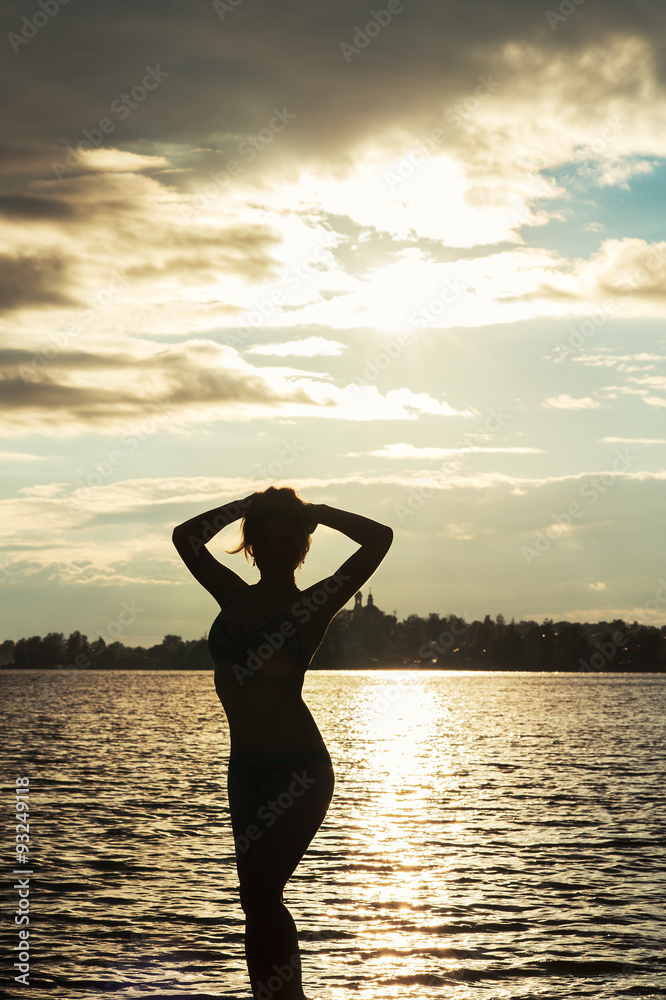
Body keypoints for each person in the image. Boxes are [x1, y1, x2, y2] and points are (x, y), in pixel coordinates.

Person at [172, 486, 393, 999]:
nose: (274, 551)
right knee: (253, 899)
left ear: (301, 548)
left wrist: (315, 513)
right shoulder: (232, 595)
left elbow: (379, 538)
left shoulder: (314, 604)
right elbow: (185, 538)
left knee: (263, 891)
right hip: (246, 768)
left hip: (300, 770)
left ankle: (291, 999)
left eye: (286, 542)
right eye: (263, 541)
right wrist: (240, 508)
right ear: (250, 545)